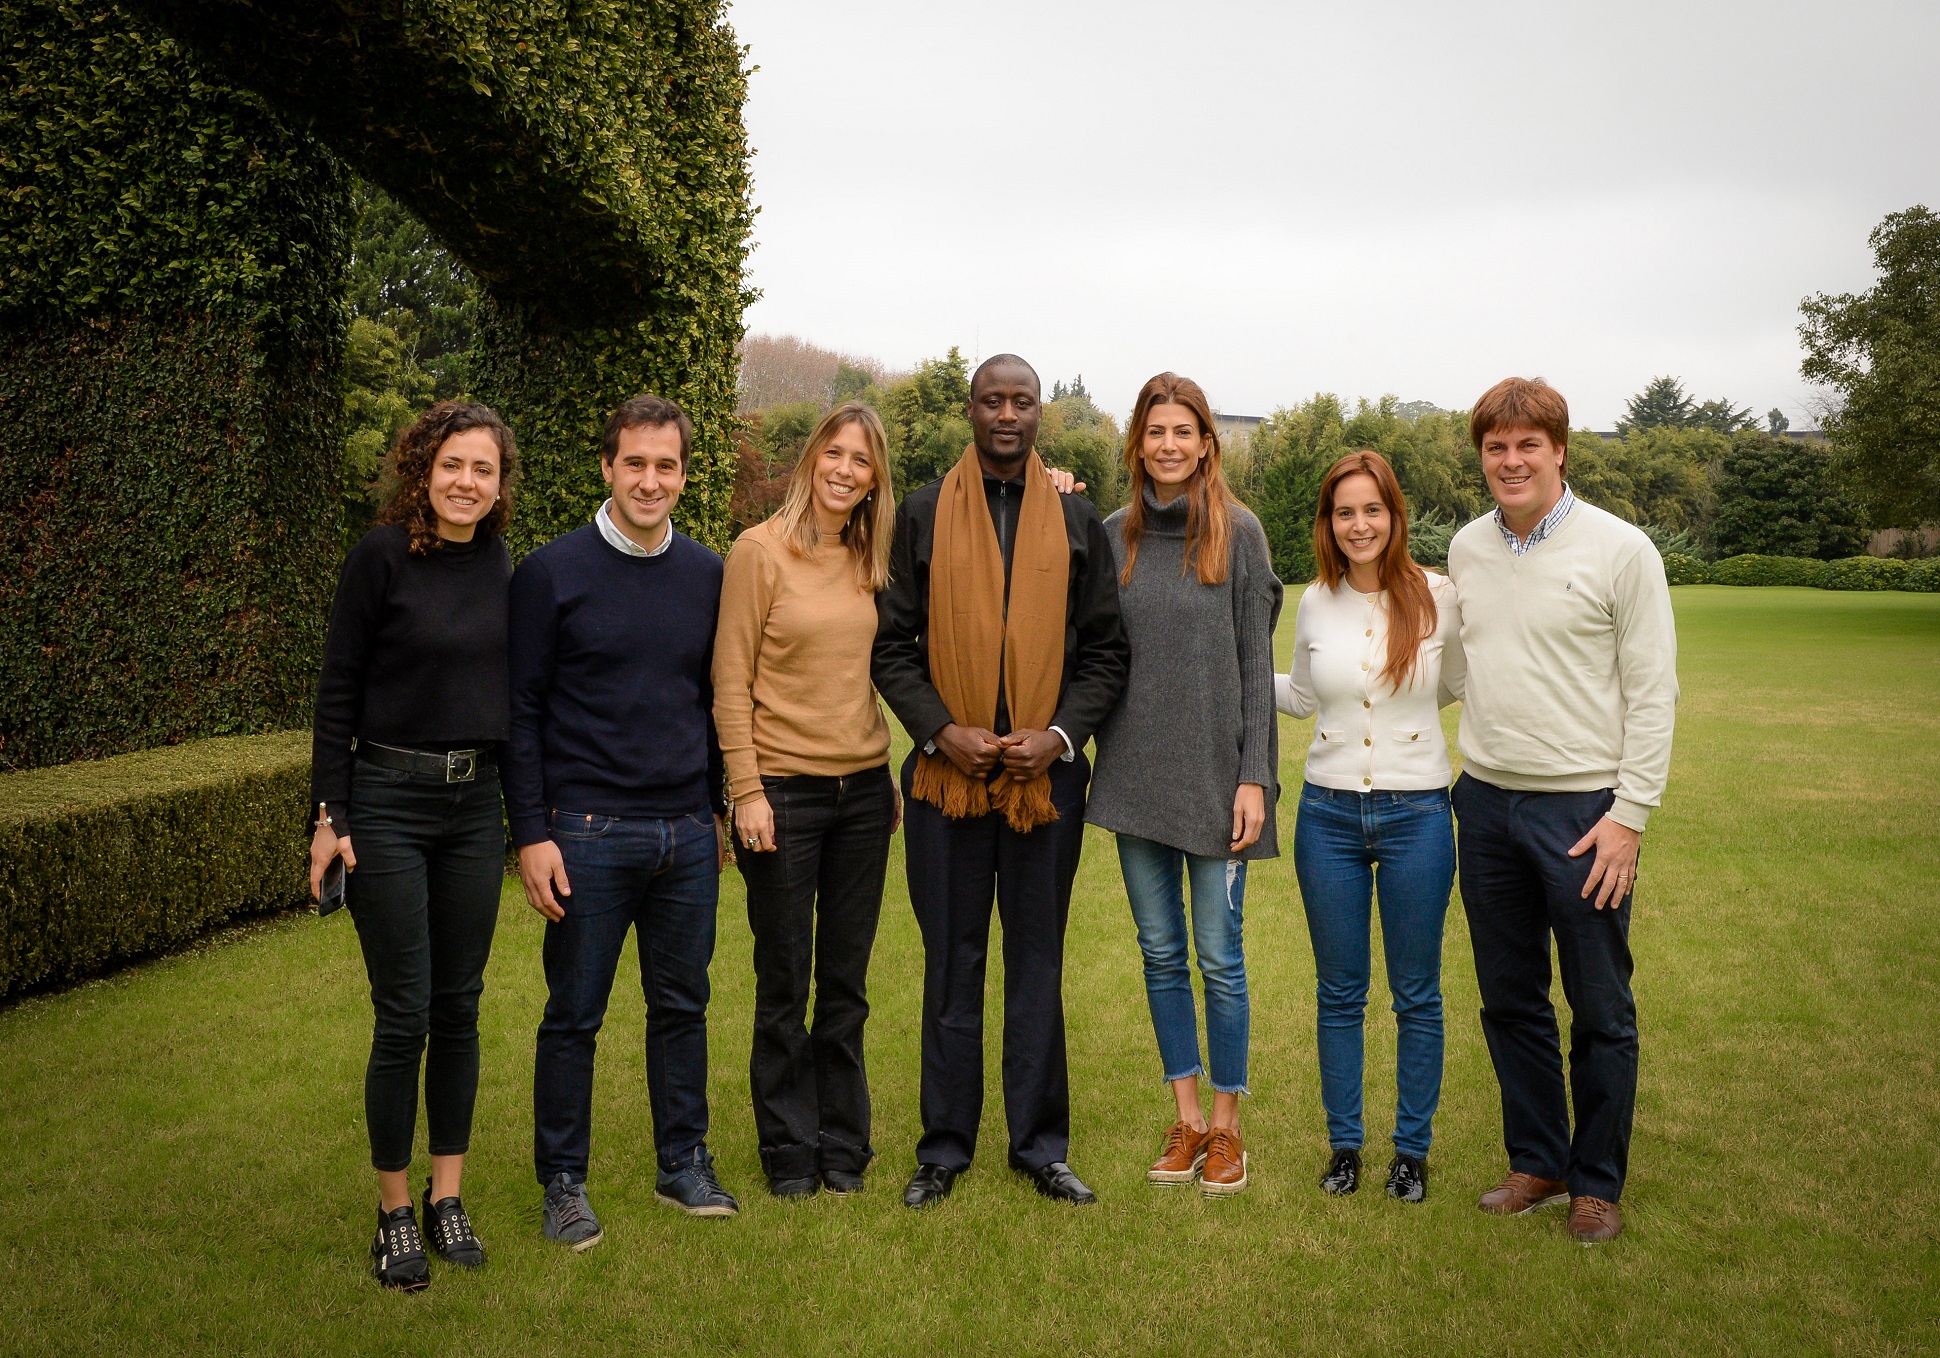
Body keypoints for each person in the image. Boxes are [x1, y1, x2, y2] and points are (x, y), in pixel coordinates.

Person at [873, 353, 1129, 1208]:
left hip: (1043, 787)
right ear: (971, 410)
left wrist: (1057, 739)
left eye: (1022, 401)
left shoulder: (1078, 518)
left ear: (1040, 414)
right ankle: (943, 1148)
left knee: (1035, 964)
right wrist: (942, 731)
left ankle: (1039, 1146)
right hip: (946, 784)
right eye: (993, 400)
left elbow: (1105, 653)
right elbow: (890, 646)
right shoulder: (920, 516)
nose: (1007, 414)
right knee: (951, 965)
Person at [1447, 377, 1677, 1244]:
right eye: (1496, 448)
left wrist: (1630, 815)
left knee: (1600, 1006)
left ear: (1559, 451)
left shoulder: (1622, 551)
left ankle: (1596, 1181)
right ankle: (1538, 1161)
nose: (1511, 461)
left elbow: (1655, 693)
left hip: (1584, 813)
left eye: (1527, 446)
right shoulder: (1468, 549)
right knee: (1510, 1000)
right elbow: (1458, 669)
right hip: (1487, 803)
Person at [508, 393, 736, 1249]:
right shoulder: (549, 574)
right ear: (607, 467)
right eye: (634, 463)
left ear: (684, 473)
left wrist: (713, 811)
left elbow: (714, 700)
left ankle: (684, 1162)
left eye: (666, 465)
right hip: (586, 834)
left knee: (683, 1005)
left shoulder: (708, 576)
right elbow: (521, 713)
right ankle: (563, 1183)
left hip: (683, 833)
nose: (650, 480)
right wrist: (532, 834)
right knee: (574, 1013)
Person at [308, 401, 518, 1290]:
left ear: (501, 486)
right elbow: (337, 692)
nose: (467, 482)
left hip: (476, 811)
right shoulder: (380, 558)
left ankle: (447, 1196)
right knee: (405, 1015)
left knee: (460, 1006)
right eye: (453, 465)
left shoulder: (507, 569)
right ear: (424, 469)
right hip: (386, 803)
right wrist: (329, 818)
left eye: (484, 470)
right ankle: (394, 1212)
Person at [1084, 373, 1281, 1198]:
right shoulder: (1110, 536)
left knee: (1219, 958)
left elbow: (1253, 664)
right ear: (1138, 443)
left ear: (1206, 442)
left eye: (1183, 431)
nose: (1168, 445)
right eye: (1154, 431)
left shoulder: (1238, 533)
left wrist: (1254, 778)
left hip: (1215, 782)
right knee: (1161, 955)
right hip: (1134, 775)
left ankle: (1230, 1132)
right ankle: (1188, 1117)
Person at [711, 401, 899, 1200]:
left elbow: (865, 674)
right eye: (836, 453)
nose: (846, 470)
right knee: (785, 977)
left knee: (846, 982)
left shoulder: (870, 558)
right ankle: (789, 1150)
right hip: (780, 793)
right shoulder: (758, 552)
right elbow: (730, 679)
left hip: (863, 795)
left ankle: (843, 1143)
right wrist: (746, 790)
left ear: (874, 478)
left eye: (862, 460)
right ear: (811, 458)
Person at [1277, 449, 1464, 1204]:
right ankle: (1345, 1147)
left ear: (1394, 515)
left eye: (1372, 510)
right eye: (1343, 512)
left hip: (1418, 812)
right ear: (1329, 522)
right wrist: (1218, 668)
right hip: (1326, 816)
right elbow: (1296, 694)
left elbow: (1456, 686)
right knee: (1339, 993)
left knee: (1416, 993)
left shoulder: (1438, 596)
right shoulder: (1315, 601)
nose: (1359, 525)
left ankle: (1410, 1153)